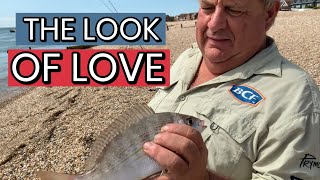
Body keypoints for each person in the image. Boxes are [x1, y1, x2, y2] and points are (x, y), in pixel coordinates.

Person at [143, 0, 320, 179]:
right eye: (207, 7)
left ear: (269, 14)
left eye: (233, 10)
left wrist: (204, 178)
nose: (214, 24)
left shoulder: (298, 98)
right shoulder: (188, 56)